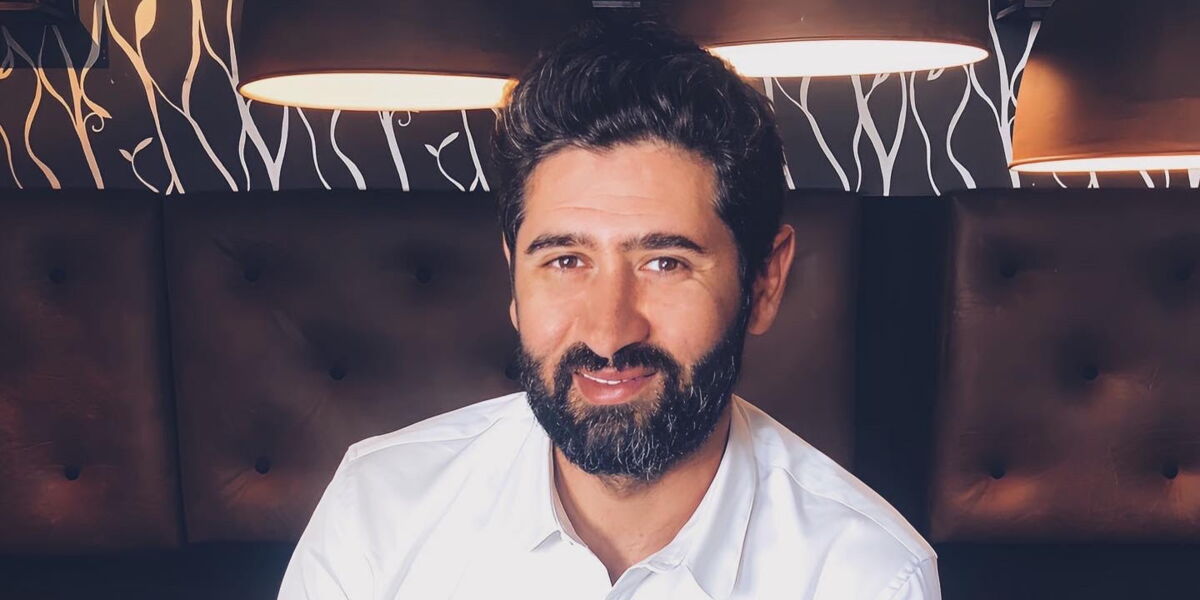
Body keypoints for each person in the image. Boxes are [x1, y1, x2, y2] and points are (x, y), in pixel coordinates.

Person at [278, 18, 938, 600]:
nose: (608, 331)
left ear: (764, 280)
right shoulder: (379, 509)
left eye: (666, 262)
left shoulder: (868, 576)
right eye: (565, 260)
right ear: (514, 276)